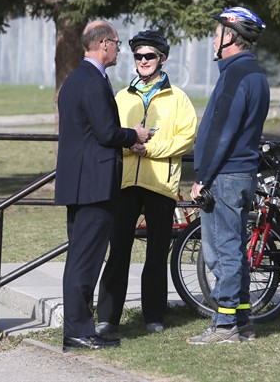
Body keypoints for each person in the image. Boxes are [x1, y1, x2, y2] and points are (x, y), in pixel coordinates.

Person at [55, 20, 153, 351]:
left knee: (80, 259)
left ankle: (78, 328)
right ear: (105, 44)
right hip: (94, 186)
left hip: (79, 182)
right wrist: (135, 135)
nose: (119, 50)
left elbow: (87, 134)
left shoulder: (74, 80)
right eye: (118, 43)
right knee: (85, 261)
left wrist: (125, 141)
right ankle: (79, 331)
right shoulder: (93, 81)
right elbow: (106, 133)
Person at [95, 30, 197, 336]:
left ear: (161, 59)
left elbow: (187, 137)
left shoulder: (178, 98)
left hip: (161, 185)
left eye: (149, 56)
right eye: (138, 56)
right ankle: (108, 317)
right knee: (119, 251)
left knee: (156, 254)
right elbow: (109, 132)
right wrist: (130, 145)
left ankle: (154, 315)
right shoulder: (121, 96)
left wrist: (150, 149)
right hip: (124, 184)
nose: (143, 61)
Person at [188, 7, 270, 344]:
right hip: (240, 175)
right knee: (233, 249)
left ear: (231, 37)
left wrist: (202, 176)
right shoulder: (254, 74)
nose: (212, 39)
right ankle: (243, 322)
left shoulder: (235, 75)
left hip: (225, 175)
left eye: (217, 32)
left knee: (222, 251)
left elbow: (221, 132)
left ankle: (224, 327)